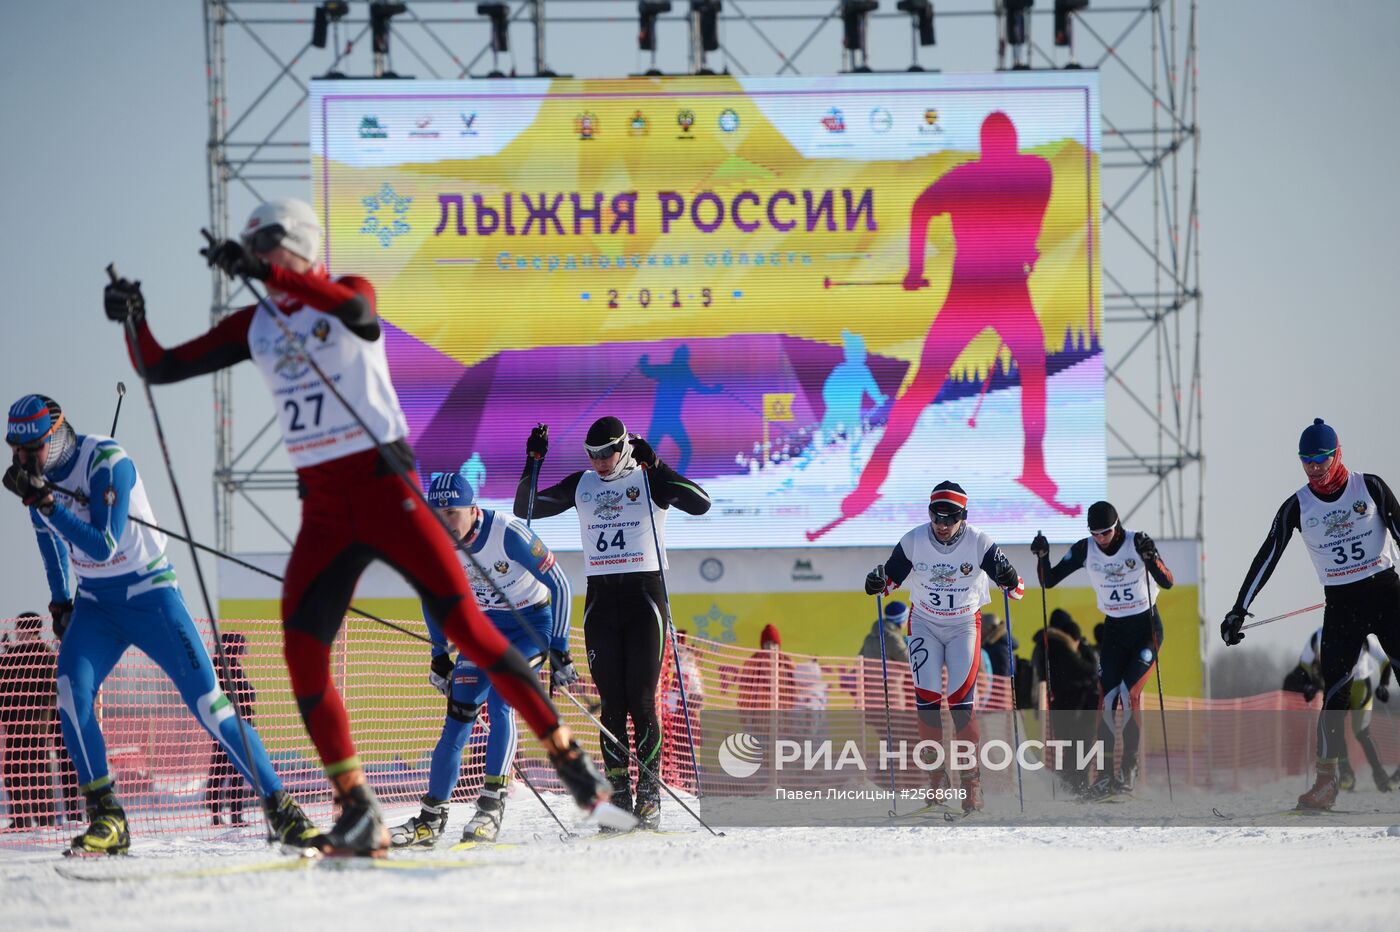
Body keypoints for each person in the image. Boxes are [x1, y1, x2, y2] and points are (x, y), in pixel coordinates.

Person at [103, 198, 611, 855]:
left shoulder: (346, 291)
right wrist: (134, 318)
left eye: (271, 245)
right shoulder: (255, 324)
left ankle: (566, 754)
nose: (261, 257)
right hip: (323, 506)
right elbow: (160, 367)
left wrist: (280, 277)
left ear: (303, 247)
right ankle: (359, 807)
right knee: (301, 650)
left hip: (385, 488)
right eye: (254, 248)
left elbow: (358, 315)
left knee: (466, 626)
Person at [3, 394, 318, 854]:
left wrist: (52, 507)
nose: (23, 459)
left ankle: (283, 809)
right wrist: (60, 604)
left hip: (151, 596)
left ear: (55, 436)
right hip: (96, 605)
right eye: (15, 450)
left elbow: (105, 545)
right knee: (71, 695)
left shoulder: (107, 460)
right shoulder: (37, 490)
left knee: (211, 706)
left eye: (31, 449)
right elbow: (51, 549)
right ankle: (107, 817)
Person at [825, 112, 1077, 541]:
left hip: (975, 289)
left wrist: (915, 269)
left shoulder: (970, 177)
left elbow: (923, 208)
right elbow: (1010, 213)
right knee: (1026, 375)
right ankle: (1030, 466)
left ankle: (873, 478)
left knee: (934, 383)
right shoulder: (1036, 170)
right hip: (1001, 288)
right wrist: (1024, 245)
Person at [514, 416, 711, 829]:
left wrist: (655, 465)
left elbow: (700, 502)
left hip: (644, 599)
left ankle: (650, 793)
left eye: (608, 454)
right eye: (593, 455)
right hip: (602, 600)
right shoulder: (583, 484)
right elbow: (524, 507)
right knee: (612, 706)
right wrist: (533, 460)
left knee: (641, 702)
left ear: (625, 447)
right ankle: (619, 792)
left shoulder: (647, 478)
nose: (601, 463)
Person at [1220, 419, 1400, 810]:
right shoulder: (1298, 506)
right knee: (1333, 693)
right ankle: (1326, 781)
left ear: (1338, 454)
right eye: (1307, 461)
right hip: (1342, 604)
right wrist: (1239, 609)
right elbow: (1267, 555)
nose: (1315, 468)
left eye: (1322, 459)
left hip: (1387, 595)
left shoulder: (1369, 487)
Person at [391, 471, 576, 846]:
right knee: (459, 715)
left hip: (530, 626)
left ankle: (491, 807)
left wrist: (559, 647)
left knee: (501, 699)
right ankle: (431, 817)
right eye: (436, 513)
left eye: (452, 513)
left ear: (473, 510)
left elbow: (561, 583)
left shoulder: (507, 532)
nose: (444, 522)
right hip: (484, 628)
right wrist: (439, 653)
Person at [864, 481, 1025, 812]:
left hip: (964, 624)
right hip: (924, 622)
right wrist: (876, 583)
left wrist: (1009, 577)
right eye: (936, 517)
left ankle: (971, 784)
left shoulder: (980, 542)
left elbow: (1017, 590)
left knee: (960, 704)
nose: (941, 525)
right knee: (925, 700)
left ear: (962, 517)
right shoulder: (913, 540)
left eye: (949, 519)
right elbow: (888, 584)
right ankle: (936, 780)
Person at [1032, 500, 1174, 796]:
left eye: (1106, 532)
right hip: (1115, 631)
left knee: (1128, 693)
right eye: (1095, 533)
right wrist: (1042, 556)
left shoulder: (1137, 541)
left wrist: (1151, 558)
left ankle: (1129, 769)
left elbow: (1167, 581)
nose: (1101, 538)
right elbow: (1049, 580)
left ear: (1117, 525)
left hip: (1146, 629)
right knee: (1108, 699)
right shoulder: (1086, 549)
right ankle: (1106, 775)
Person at [1282, 627, 1394, 793]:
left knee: (1361, 732)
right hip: (1338, 685)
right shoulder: (1317, 636)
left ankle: (1380, 775)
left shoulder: (1364, 633)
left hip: (1361, 686)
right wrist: (1309, 685)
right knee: (1335, 728)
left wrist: (1384, 684)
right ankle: (1346, 774)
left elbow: (1384, 660)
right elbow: (1305, 664)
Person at [0, 612, 78, 827]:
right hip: (37, 723)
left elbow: (5, 687)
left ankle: (24, 820)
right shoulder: (48, 655)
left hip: (22, 722)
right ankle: (43, 819)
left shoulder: (17, 656)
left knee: (20, 772)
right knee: (36, 772)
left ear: (24, 629)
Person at [1028, 608, 1101, 794]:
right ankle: (1077, 785)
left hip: (1059, 703)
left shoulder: (1042, 645)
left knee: (1069, 747)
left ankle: (1069, 785)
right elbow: (1087, 669)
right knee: (1080, 746)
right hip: (1075, 705)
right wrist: (1084, 649)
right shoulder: (1060, 646)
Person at [204, 632, 257, 826]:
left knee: (232, 771)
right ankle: (218, 815)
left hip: (236, 726)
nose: (243, 650)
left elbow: (246, 693)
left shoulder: (229, 665)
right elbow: (244, 694)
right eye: (241, 646)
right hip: (227, 726)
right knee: (222, 771)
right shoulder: (222, 666)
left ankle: (234, 815)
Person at [858, 601, 910, 666]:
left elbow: (859, 660)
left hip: (869, 675)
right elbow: (910, 662)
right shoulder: (894, 639)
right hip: (889, 676)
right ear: (901, 620)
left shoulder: (869, 638)